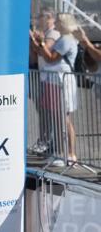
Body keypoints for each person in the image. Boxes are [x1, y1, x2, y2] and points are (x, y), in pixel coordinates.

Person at [30, 12, 79, 165]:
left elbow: (50, 58)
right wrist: (38, 42)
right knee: (58, 118)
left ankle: (69, 154)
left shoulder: (66, 39)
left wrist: (42, 44)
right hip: (54, 81)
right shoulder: (63, 39)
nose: (55, 23)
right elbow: (44, 54)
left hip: (60, 82)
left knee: (63, 119)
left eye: (58, 21)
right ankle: (61, 153)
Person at [29, 10, 61, 155]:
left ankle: (47, 142)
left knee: (47, 112)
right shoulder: (45, 33)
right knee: (42, 111)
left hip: (49, 78)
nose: (37, 20)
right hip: (43, 76)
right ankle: (44, 140)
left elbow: (43, 51)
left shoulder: (52, 34)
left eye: (39, 17)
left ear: (48, 19)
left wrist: (34, 40)